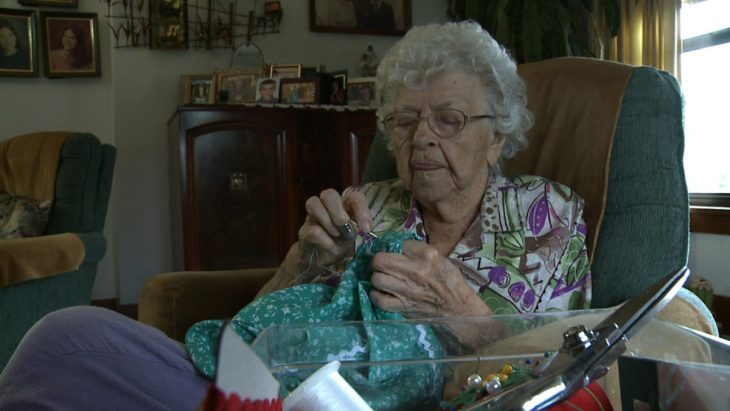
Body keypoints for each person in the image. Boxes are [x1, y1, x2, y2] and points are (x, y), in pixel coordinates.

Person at [0, 21, 591, 409]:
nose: (422, 139)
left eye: (450, 119)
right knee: (65, 340)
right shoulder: (371, 203)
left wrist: (460, 311)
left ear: (497, 136)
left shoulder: (546, 215)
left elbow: (568, 369)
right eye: (405, 121)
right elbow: (249, 334)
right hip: (267, 396)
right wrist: (299, 263)